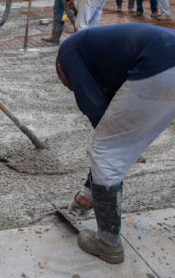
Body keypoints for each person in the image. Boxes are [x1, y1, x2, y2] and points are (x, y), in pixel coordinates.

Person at [56, 24, 175, 264]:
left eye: (67, 85)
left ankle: (108, 244)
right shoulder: (104, 57)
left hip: (160, 62)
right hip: (163, 61)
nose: (70, 88)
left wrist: (118, 147)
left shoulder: (67, 54)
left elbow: (100, 116)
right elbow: (119, 125)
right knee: (112, 145)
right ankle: (87, 195)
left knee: (105, 149)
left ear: (60, 69)